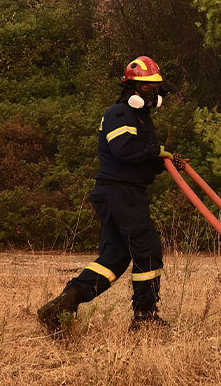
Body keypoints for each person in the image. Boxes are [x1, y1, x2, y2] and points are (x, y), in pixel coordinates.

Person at [38, 56, 175, 334]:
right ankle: (145, 317)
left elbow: (139, 157)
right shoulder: (120, 113)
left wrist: (162, 162)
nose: (153, 93)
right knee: (148, 250)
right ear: (132, 89)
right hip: (120, 193)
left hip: (121, 192)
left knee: (115, 257)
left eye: (155, 87)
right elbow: (124, 150)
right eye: (147, 87)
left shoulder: (141, 117)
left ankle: (62, 306)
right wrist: (155, 153)